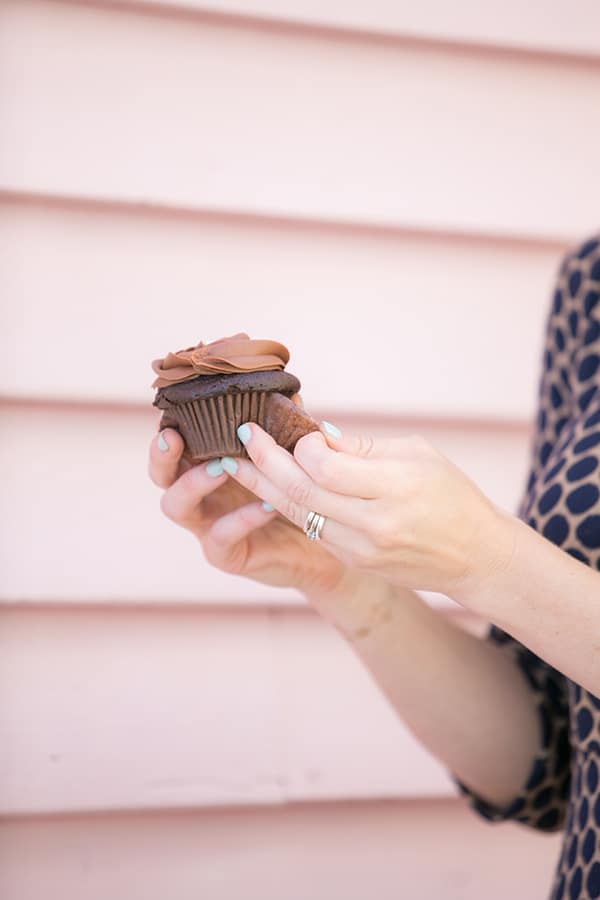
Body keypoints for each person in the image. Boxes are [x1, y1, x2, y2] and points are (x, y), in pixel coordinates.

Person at [148, 236, 600, 900]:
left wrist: (490, 559)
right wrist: (332, 571)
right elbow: (548, 763)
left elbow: (505, 568)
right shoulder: (589, 286)